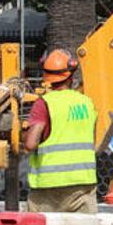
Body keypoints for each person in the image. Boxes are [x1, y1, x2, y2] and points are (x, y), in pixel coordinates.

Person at [24, 49, 98, 213]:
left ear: (46, 76)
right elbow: (93, 141)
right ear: (70, 76)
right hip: (82, 185)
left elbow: (30, 144)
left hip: (48, 188)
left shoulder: (44, 104)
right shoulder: (87, 103)